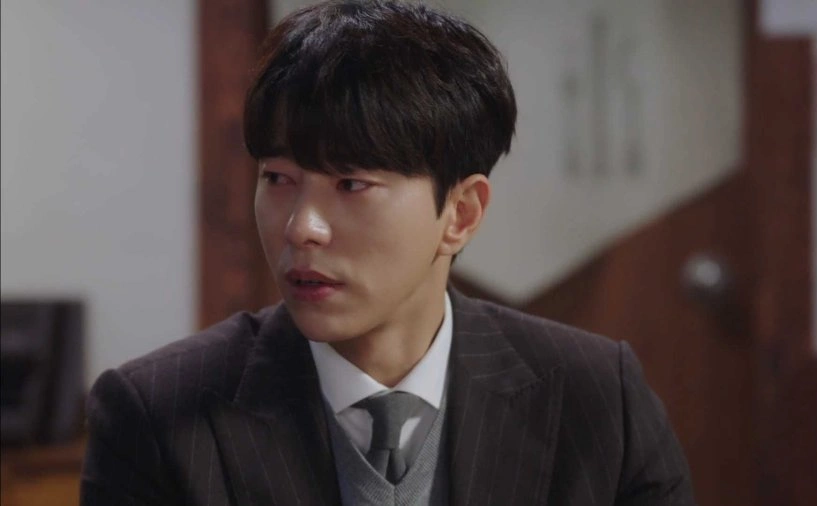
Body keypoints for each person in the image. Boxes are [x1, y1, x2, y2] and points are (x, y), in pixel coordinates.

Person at [80, 1, 694, 504]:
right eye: (278, 179)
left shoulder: (595, 396)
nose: (302, 228)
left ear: (461, 214)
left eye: (351, 185)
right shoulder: (157, 414)